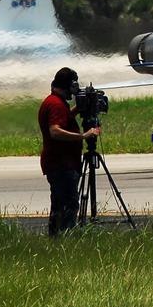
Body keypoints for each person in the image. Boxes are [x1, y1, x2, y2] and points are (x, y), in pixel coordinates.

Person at [39, 66, 100, 236]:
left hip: (61, 163)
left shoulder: (54, 102)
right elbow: (55, 131)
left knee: (59, 203)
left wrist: (75, 110)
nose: (74, 93)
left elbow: (62, 120)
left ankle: (56, 237)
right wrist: (83, 136)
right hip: (61, 165)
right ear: (68, 85)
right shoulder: (56, 104)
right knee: (68, 204)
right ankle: (65, 237)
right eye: (73, 87)